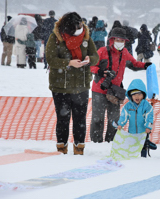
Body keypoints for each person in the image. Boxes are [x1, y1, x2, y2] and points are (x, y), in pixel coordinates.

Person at [45, 12, 99, 155]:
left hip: (81, 85)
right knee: (63, 118)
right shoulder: (56, 37)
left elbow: (95, 56)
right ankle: (61, 149)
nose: (80, 28)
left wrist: (89, 60)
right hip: (60, 86)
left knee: (80, 119)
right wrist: (68, 63)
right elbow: (50, 59)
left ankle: (79, 148)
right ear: (68, 27)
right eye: (77, 26)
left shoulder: (85, 36)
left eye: (80, 24)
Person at [90, 27, 151, 143]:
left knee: (115, 119)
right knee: (97, 118)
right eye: (118, 40)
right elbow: (92, 66)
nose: (120, 43)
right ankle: (96, 143)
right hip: (99, 89)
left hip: (115, 91)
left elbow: (134, 64)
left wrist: (145, 66)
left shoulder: (125, 53)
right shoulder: (102, 51)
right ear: (111, 40)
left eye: (122, 41)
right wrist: (100, 72)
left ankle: (111, 142)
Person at [117, 79, 154, 157]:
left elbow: (149, 117)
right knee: (132, 147)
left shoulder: (146, 106)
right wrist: (120, 124)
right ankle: (133, 159)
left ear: (143, 94)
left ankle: (143, 159)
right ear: (131, 96)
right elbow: (124, 116)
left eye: (139, 94)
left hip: (143, 132)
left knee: (143, 146)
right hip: (132, 133)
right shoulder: (128, 106)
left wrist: (148, 127)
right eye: (134, 95)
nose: (137, 97)